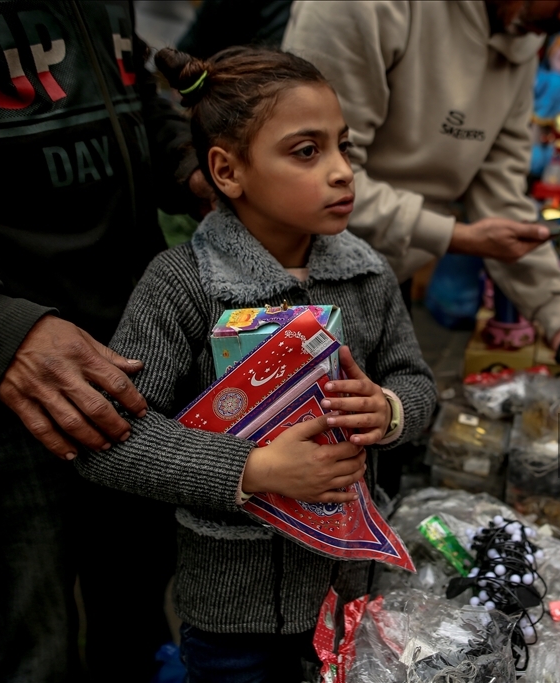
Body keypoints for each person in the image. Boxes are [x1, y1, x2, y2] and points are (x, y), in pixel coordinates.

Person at [71, 46, 437, 681]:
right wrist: (256, 468)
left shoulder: (368, 276)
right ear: (227, 170)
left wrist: (391, 409)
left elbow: (415, 380)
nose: (342, 172)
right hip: (231, 619)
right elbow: (113, 440)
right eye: (306, 151)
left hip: (350, 597)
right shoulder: (182, 286)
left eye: (343, 147)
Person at [0, 2, 208, 680]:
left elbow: (126, 99)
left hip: (127, 362)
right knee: (28, 644)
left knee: (134, 617)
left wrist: (195, 168)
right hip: (2, 386)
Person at [282, 0, 560, 375]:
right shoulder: (361, 8)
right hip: (290, 288)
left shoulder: (520, 31)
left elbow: (501, 190)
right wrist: (452, 235)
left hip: (384, 279)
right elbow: (314, 176)